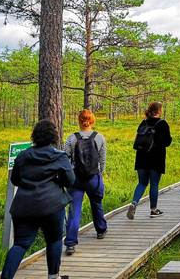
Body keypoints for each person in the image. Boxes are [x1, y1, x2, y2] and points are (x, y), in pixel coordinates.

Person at [1, 119, 74, 279]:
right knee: (54, 241)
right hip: (53, 206)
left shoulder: (22, 156)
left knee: (20, 244)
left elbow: (15, 180)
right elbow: (70, 180)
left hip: (24, 207)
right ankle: (52, 276)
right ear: (53, 137)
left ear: (35, 136)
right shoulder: (59, 157)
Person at [63, 109, 108, 255]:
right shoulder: (99, 137)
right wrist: (99, 173)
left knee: (74, 211)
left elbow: (66, 157)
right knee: (96, 203)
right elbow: (102, 159)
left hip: (76, 179)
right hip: (94, 178)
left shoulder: (72, 138)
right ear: (92, 120)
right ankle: (100, 230)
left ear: (79, 120)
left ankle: (70, 243)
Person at [127, 101, 172, 219]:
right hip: (156, 158)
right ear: (159, 111)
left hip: (141, 156)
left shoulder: (143, 123)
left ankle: (134, 202)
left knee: (142, 182)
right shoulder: (163, 124)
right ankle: (153, 210)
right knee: (154, 184)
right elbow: (167, 142)